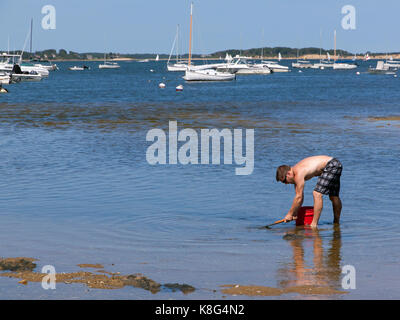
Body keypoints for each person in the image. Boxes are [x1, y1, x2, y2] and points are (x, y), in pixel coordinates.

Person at [276, 155, 343, 228]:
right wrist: (294, 214)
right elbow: (299, 198)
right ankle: (336, 224)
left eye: (284, 181)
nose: (286, 184)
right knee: (333, 196)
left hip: (331, 165)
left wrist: (289, 214)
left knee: (317, 193)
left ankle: (314, 225)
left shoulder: (298, 173)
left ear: (288, 174)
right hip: (335, 164)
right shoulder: (295, 174)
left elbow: (299, 197)